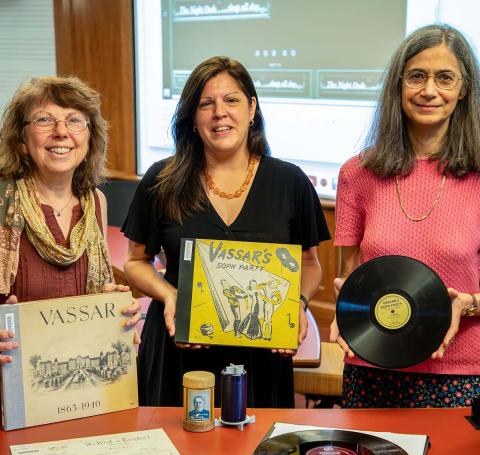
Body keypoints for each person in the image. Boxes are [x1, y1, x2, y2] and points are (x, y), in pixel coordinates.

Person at [122, 56, 330, 407]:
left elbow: (310, 264)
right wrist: (171, 296)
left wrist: (298, 303)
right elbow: (135, 262)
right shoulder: (161, 180)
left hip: (261, 356)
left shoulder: (290, 181)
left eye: (231, 100)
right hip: (179, 350)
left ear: (252, 109)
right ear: (191, 118)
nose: (220, 112)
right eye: (206, 104)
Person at [331, 24, 480, 408]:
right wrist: (345, 306)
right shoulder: (357, 173)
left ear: (464, 89)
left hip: (462, 373)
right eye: (417, 76)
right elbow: (350, 275)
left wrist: (469, 302)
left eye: (445, 77)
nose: (429, 90)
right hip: (372, 366)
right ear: (398, 86)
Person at [0, 76, 140, 365]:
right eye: (44, 120)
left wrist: (117, 309)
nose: (61, 132)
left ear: (89, 138)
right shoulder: (3, 202)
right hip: (13, 380)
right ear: (22, 141)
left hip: (80, 376)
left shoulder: (95, 204)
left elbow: (94, 292)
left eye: (74, 121)